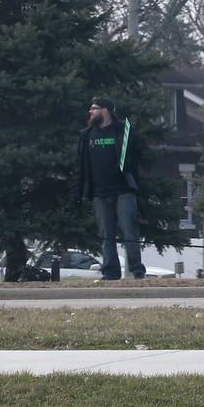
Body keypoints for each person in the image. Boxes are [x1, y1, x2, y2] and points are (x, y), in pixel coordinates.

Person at [73, 95, 146, 280]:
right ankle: (110, 272)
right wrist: (79, 193)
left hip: (123, 191)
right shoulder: (87, 135)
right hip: (99, 192)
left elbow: (137, 154)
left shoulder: (123, 131)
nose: (90, 112)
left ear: (105, 110)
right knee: (106, 234)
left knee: (129, 230)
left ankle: (137, 270)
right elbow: (81, 166)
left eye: (94, 108)